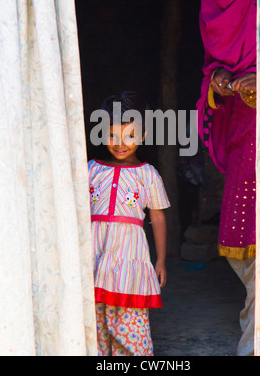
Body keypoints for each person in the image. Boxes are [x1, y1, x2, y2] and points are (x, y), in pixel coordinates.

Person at [196, 0, 257, 356]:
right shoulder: (210, 3)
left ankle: (258, 340)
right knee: (243, 251)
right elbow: (209, 68)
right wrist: (218, 79)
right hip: (239, 132)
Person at [88, 91, 170, 356]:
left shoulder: (148, 174)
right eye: (112, 135)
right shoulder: (90, 169)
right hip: (93, 256)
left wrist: (160, 261)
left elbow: (157, 217)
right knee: (94, 322)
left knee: (129, 323)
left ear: (143, 136)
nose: (120, 143)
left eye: (130, 136)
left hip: (129, 258)